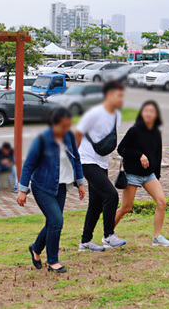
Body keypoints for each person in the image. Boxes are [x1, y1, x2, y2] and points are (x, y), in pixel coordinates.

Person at [17, 107, 87, 274]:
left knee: (52, 222)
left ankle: (36, 248)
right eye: (62, 126)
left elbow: (76, 159)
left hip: (61, 187)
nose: (65, 129)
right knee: (57, 221)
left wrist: (81, 183)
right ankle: (53, 261)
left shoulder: (69, 136)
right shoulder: (42, 140)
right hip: (42, 187)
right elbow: (28, 165)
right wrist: (22, 190)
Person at [75, 79, 126, 251]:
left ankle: (85, 242)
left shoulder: (117, 115)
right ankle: (108, 235)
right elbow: (77, 133)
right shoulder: (94, 113)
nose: (121, 99)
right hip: (86, 160)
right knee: (111, 195)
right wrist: (75, 160)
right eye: (118, 95)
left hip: (102, 162)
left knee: (95, 204)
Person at [115, 101, 169, 247]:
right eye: (145, 111)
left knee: (162, 202)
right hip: (133, 174)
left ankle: (157, 237)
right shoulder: (134, 130)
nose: (148, 114)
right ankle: (108, 234)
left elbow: (157, 155)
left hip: (149, 175)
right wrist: (139, 155)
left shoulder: (156, 132)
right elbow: (121, 149)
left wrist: (157, 176)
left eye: (151, 111)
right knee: (126, 208)